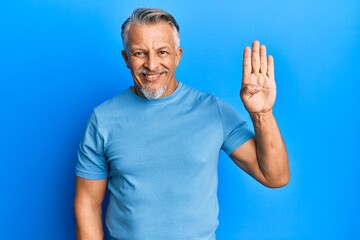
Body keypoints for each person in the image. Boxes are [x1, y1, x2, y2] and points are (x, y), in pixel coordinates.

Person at [74, 7, 290, 240]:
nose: (152, 64)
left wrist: (262, 113)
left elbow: (274, 176)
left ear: (178, 55)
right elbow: (88, 203)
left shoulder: (212, 111)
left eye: (163, 52)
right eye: (139, 53)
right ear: (126, 58)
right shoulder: (103, 119)